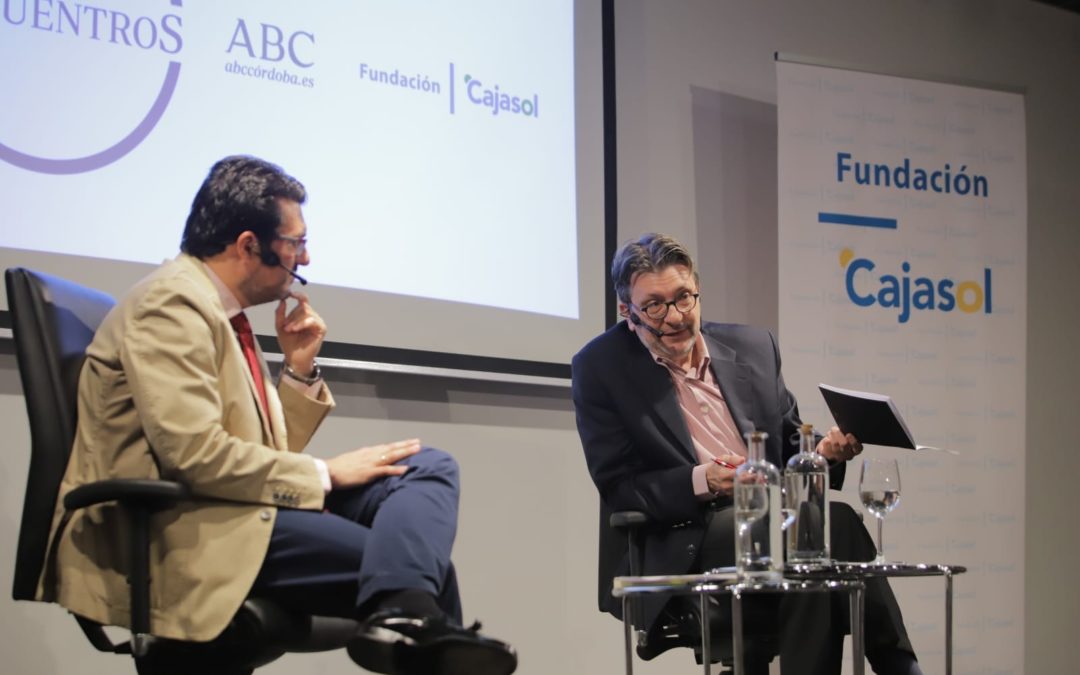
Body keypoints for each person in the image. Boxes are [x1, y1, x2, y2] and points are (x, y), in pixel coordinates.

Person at [37, 155, 516, 675]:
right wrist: (326, 474)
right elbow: (194, 455)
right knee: (427, 573)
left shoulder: (218, 311)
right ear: (249, 245)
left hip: (229, 505)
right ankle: (406, 614)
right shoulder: (171, 305)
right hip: (189, 526)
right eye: (295, 243)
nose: (305, 258)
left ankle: (403, 615)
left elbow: (261, 452)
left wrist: (298, 369)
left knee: (427, 466)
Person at [571, 233, 920, 675]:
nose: (676, 317)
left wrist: (827, 453)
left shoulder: (752, 348)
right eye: (656, 306)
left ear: (697, 289)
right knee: (831, 525)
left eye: (684, 298)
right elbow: (620, 487)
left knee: (816, 545)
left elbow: (792, 445)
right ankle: (902, 666)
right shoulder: (600, 368)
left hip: (779, 518)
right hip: (692, 530)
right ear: (627, 311)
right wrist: (706, 479)